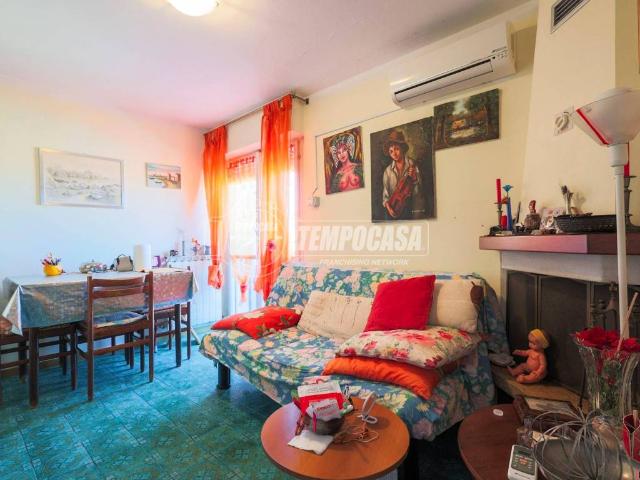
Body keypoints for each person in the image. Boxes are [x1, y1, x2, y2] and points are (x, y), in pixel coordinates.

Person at [381, 130, 422, 220]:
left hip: (410, 209)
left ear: (402, 148)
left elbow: (418, 193)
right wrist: (389, 209)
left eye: (396, 149)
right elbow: (385, 196)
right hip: (392, 210)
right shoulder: (387, 171)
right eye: (391, 151)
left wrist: (415, 179)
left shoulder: (412, 164)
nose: (394, 154)